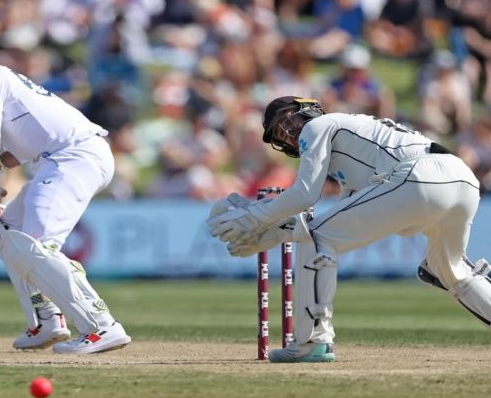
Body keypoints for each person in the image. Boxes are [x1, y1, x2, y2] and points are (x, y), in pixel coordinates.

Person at [207, 96, 491, 363]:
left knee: (317, 239)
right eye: (281, 132)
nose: (290, 132)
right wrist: (276, 231)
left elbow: (305, 195)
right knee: (452, 271)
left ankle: (312, 342)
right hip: (462, 181)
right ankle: (312, 340)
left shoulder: (319, 126)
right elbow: (344, 220)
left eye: (289, 121)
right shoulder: (349, 155)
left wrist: (255, 217)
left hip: (423, 175)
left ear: (309, 110)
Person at [0, 16, 131, 354]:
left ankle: (101, 326)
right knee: (8, 228)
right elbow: (12, 151)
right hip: (61, 156)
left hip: (74, 156)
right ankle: (46, 320)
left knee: (37, 245)